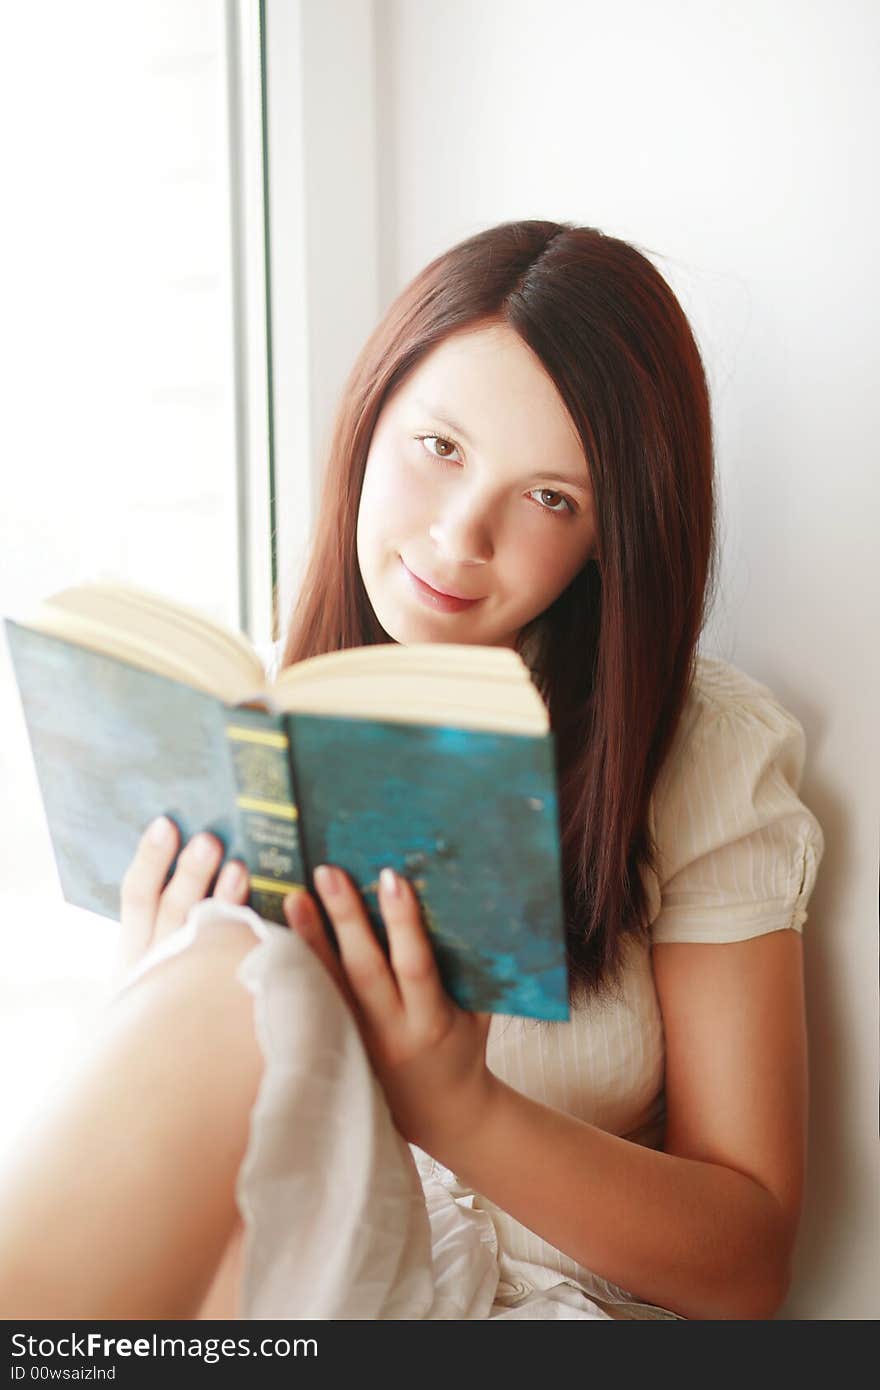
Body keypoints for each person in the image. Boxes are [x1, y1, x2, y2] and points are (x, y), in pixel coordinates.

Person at [0, 220, 824, 1321]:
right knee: (219, 970)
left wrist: (458, 1105)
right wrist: (154, 985)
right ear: (370, 418)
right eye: (439, 448)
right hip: (299, 1284)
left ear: (607, 538)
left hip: (544, 1310)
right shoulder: (264, 725)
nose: (457, 536)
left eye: (550, 498)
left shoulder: (700, 745)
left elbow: (749, 1265)